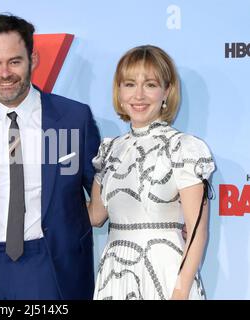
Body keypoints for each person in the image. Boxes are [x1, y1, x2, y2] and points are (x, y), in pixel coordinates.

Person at [0, 14, 100, 300]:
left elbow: (104, 188)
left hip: (50, 266)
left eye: (14, 61)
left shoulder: (74, 118)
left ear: (33, 59)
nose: (4, 73)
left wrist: (165, 215)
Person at [88, 45, 215, 300]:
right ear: (119, 91)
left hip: (165, 272)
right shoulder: (111, 150)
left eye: (150, 84)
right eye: (129, 84)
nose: (139, 95)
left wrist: (180, 292)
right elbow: (95, 215)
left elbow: (197, 230)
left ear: (167, 91)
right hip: (115, 273)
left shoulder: (184, 148)